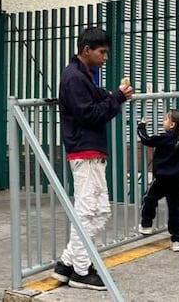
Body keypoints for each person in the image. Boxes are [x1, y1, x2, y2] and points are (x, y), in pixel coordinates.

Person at [51, 26, 134, 291]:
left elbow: (97, 100)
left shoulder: (83, 75)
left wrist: (116, 96)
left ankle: (67, 263)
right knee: (89, 212)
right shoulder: (75, 78)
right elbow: (90, 114)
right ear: (87, 50)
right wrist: (117, 98)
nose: (105, 57)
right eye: (102, 52)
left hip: (90, 151)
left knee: (97, 212)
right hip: (85, 152)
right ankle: (81, 270)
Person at [136, 109, 179, 252]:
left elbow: (146, 139)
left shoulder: (163, 138)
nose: (163, 122)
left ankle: (146, 224)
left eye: (165, 120)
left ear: (172, 124)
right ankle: (177, 240)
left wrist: (141, 126)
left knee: (149, 199)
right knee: (176, 209)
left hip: (162, 179)